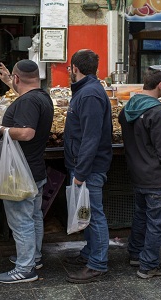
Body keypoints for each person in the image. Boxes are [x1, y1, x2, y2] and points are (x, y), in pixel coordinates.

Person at [0, 59, 53, 284]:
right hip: (34, 169)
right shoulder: (42, 96)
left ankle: (25, 269)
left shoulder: (28, 102)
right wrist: (10, 83)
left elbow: (27, 133)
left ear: (17, 78)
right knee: (34, 217)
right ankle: (33, 258)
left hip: (20, 172)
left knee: (21, 221)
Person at [118, 65, 161, 279]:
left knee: (141, 217)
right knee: (157, 223)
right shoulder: (159, 113)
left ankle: (136, 254)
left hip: (138, 174)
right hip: (158, 177)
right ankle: (148, 265)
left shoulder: (128, 108)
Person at [62, 49, 113, 284]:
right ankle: (90, 253)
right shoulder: (86, 91)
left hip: (89, 168)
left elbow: (90, 138)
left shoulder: (90, 94)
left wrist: (81, 173)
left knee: (95, 214)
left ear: (74, 68)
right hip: (84, 166)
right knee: (88, 213)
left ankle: (98, 264)